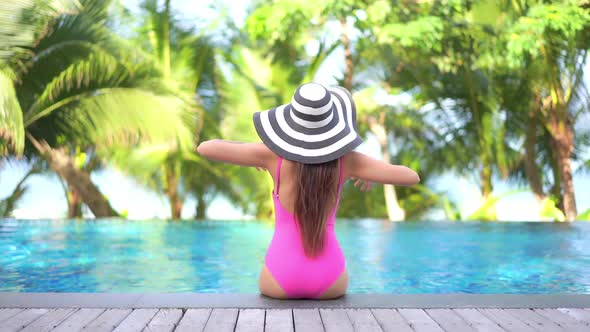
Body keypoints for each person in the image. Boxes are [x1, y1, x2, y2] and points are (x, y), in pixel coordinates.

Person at [197, 82, 420, 300]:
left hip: (279, 278)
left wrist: (263, 152)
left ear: (291, 123)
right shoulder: (348, 161)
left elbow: (206, 147)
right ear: (331, 125)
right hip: (331, 281)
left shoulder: (270, 156)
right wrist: (363, 171)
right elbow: (410, 176)